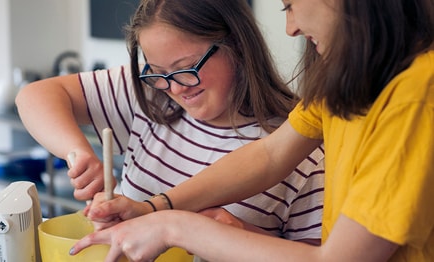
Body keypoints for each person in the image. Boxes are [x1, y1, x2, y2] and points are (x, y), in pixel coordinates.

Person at [69, 0, 434, 261]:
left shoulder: (416, 97)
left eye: (289, 5)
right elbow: (270, 155)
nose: (290, 27)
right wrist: (153, 208)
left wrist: (172, 228)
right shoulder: (354, 75)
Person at [15, 0, 325, 245]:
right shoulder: (151, 94)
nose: (175, 88)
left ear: (237, 44)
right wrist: (78, 154)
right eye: (158, 71)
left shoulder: (303, 148)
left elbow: (319, 255)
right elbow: (33, 97)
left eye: (187, 67)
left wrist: (238, 234)